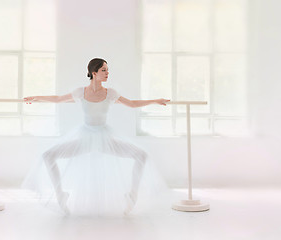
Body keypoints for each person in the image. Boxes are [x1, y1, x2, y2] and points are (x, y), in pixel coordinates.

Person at [22, 58, 171, 216]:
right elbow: (58, 99)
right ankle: (61, 194)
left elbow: (132, 104)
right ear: (94, 73)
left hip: (105, 139)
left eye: (107, 70)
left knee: (142, 155)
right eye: (103, 70)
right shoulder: (81, 92)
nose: (107, 73)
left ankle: (132, 195)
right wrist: (35, 97)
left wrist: (156, 101)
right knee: (48, 155)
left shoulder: (110, 93)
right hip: (85, 138)